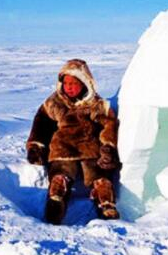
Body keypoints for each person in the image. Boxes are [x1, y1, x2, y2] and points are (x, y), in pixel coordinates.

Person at [25, 58, 122, 224]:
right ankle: (56, 201)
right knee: (60, 176)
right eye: (66, 83)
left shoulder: (96, 104)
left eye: (74, 83)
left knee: (100, 177)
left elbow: (109, 124)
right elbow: (42, 124)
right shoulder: (54, 103)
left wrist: (108, 147)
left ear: (84, 83)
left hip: (90, 149)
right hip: (62, 149)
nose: (69, 87)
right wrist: (36, 146)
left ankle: (106, 204)